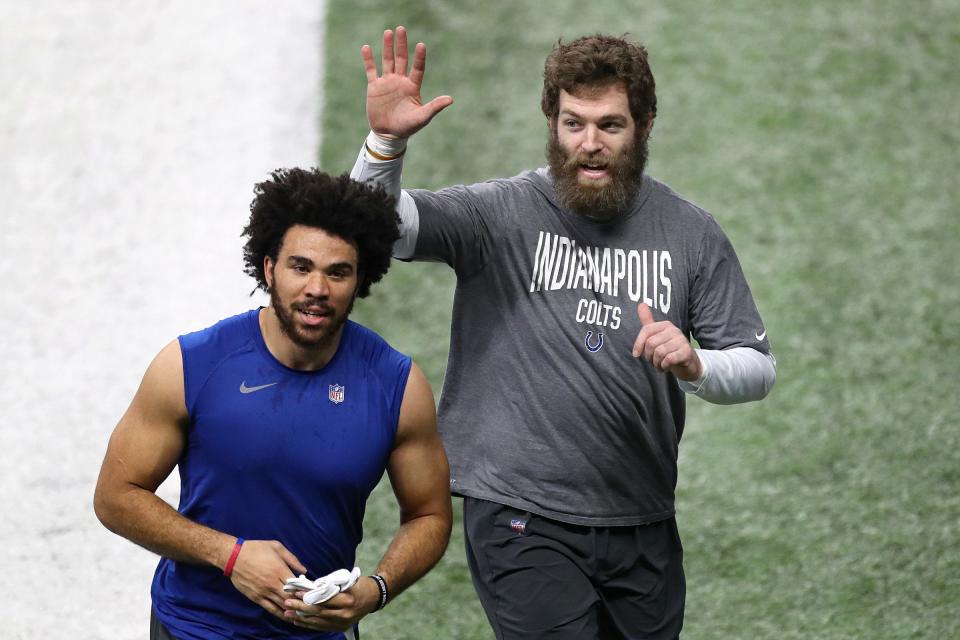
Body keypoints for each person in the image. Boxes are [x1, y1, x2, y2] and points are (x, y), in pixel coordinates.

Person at [349, 27, 777, 639]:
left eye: (610, 125)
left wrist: (697, 365)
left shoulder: (691, 234)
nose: (590, 145)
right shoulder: (501, 213)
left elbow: (758, 368)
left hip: (642, 517)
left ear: (646, 125)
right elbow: (380, 229)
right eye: (573, 123)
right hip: (521, 514)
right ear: (551, 121)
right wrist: (384, 144)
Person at [93, 169, 452, 640]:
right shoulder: (191, 364)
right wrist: (230, 555)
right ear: (268, 269)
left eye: (338, 272)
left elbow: (429, 516)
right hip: (193, 630)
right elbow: (115, 496)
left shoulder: (397, 386)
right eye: (300, 267)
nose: (317, 289)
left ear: (361, 279)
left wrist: (373, 591)